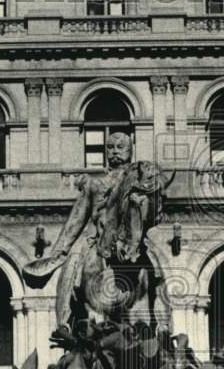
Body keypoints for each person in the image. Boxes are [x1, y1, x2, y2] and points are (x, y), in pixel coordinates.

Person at [23, 132, 171, 329]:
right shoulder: (94, 183)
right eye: (110, 147)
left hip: (129, 238)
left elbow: (151, 214)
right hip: (96, 237)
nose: (115, 151)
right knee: (73, 262)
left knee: (156, 269)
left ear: (130, 150)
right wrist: (59, 253)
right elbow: (76, 220)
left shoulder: (137, 179)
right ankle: (63, 321)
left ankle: (162, 323)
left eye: (120, 147)